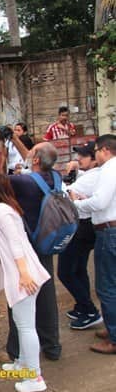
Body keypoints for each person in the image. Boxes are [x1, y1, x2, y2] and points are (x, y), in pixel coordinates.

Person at [0, 132, 62, 362]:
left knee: (19, 297)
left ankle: (15, 350)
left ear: (36, 160)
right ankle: (52, 346)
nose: (27, 153)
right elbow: (35, 159)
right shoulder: (55, 176)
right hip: (46, 240)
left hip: (25, 247)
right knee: (47, 295)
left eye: (32, 151)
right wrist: (15, 140)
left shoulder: (24, 182)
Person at [0, 173, 50, 392]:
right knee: (22, 322)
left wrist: (23, 274)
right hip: (24, 272)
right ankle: (22, 363)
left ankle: (34, 377)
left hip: (24, 274)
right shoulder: (7, 207)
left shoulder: (2, 211)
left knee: (26, 326)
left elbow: (15, 243)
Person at [71, 134, 116, 354]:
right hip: (110, 230)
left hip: (109, 230)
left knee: (107, 286)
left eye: (96, 150)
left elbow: (100, 202)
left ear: (106, 150)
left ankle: (114, 337)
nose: (95, 155)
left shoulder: (109, 169)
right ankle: (112, 327)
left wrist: (76, 205)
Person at [59, 141, 102, 330]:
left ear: (94, 159)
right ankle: (82, 307)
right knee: (78, 269)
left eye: (83, 156)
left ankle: (89, 310)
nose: (78, 159)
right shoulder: (94, 174)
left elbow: (64, 194)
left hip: (81, 228)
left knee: (66, 272)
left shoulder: (91, 177)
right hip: (87, 226)